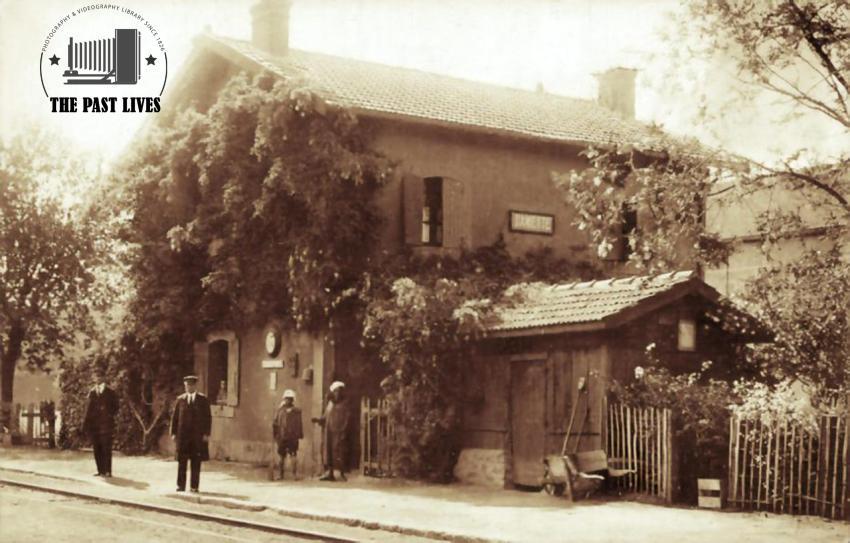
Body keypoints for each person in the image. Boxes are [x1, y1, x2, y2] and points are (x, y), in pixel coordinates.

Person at [169, 375, 212, 493]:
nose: (188, 387)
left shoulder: (202, 400)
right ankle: (180, 486)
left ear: (195, 386)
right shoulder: (180, 400)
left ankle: (194, 486)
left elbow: (208, 418)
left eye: (191, 385)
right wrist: (173, 433)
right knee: (182, 463)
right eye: (187, 385)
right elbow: (175, 418)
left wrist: (206, 434)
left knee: (195, 462)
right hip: (183, 437)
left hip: (197, 438)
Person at [82, 367, 119, 478]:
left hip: (106, 425)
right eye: (95, 376)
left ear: (104, 377)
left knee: (106, 447)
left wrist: (109, 415)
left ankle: (108, 470)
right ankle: (100, 470)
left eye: (99, 376)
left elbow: (116, 407)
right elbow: (88, 410)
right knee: (97, 447)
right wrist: (86, 424)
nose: (97, 378)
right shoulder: (92, 392)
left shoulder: (110, 392)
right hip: (95, 426)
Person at [313, 380, 351, 482]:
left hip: (339, 433)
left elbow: (347, 420)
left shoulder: (345, 405)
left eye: (339, 391)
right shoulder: (330, 404)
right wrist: (318, 420)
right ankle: (329, 474)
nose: (337, 394)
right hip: (328, 432)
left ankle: (341, 474)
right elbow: (325, 417)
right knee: (327, 452)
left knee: (338, 453)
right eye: (335, 391)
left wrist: (344, 432)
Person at [272, 389, 303, 480]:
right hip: (282, 436)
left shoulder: (295, 411)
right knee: (282, 456)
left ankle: (294, 474)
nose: (288, 400)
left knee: (292, 455)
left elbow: (299, 424)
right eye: (287, 399)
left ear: (292, 400)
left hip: (291, 437)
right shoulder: (280, 410)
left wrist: (299, 435)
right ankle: (281, 474)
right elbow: (275, 423)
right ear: (284, 399)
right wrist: (275, 434)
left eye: (289, 399)